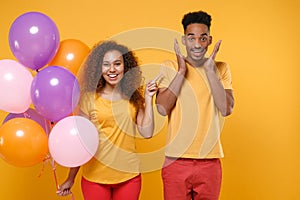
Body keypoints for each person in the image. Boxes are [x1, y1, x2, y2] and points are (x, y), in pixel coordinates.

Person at [56, 40, 159, 200]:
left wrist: (148, 99)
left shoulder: (133, 98)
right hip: (94, 177)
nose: (112, 69)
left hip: (129, 176)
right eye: (106, 64)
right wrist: (71, 178)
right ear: (99, 68)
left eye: (117, 64)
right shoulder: (88, 99)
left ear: (126, 67)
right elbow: (82, 143)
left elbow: (147, 132)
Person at [156, 10, 235, 200]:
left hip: (210, 162)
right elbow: (161, 108)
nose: (197, 44)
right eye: (191, 38)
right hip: (176, 161)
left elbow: (226, 108)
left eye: (202, 38)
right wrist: (182, 71)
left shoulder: (221, 68)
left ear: (209, 40)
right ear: (184, 40)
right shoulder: (170, 66)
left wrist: (209, 70)